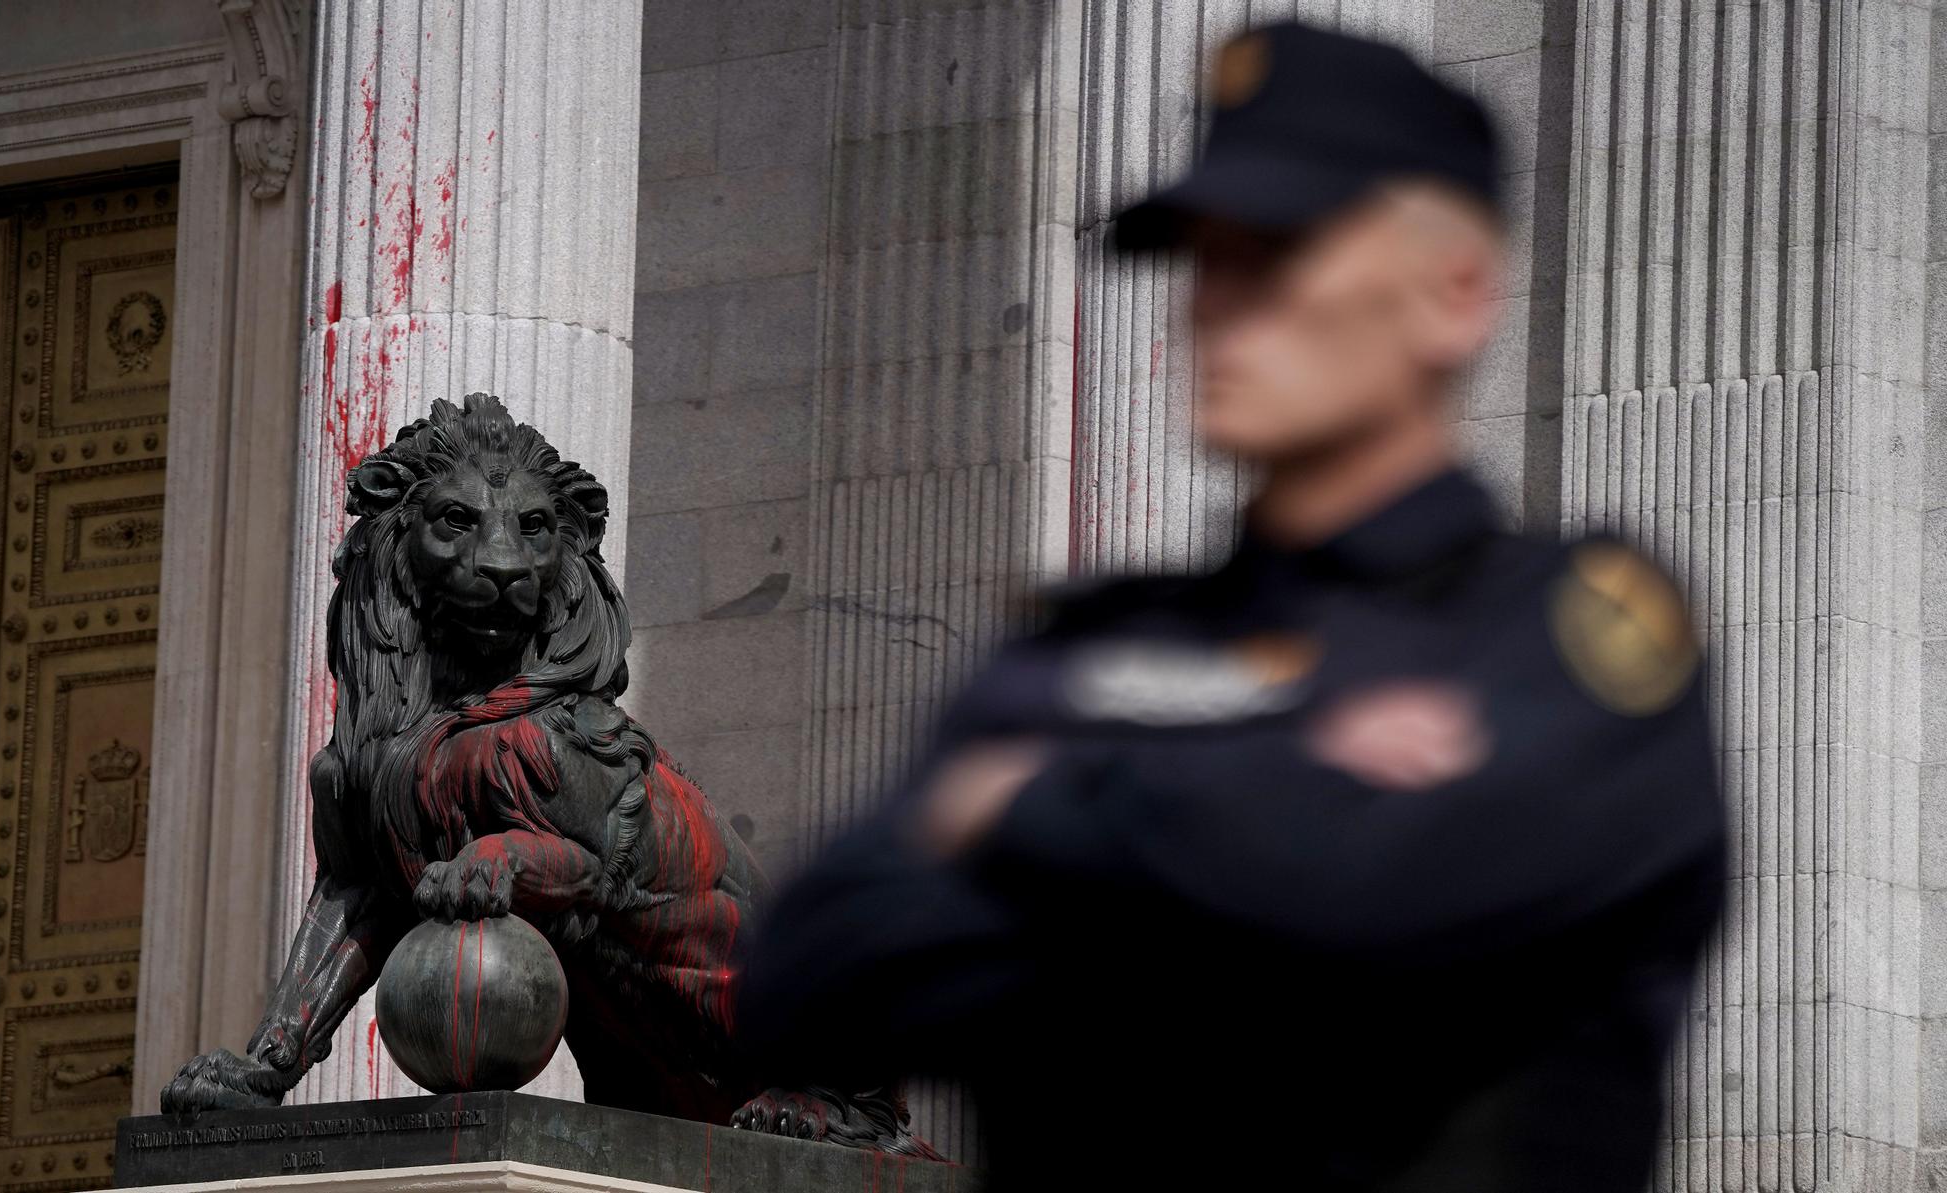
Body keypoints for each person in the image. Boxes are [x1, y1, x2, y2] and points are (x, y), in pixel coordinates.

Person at [731, 21, 1725, 1192]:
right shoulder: (1093, 639)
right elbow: (806, 977)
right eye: (1203, 255)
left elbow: (1370, 893)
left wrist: (1020, 803)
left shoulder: (1567, 635)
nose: (1214, 302)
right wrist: (1288, 787)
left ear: (1453, 293)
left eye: (1276, 249)